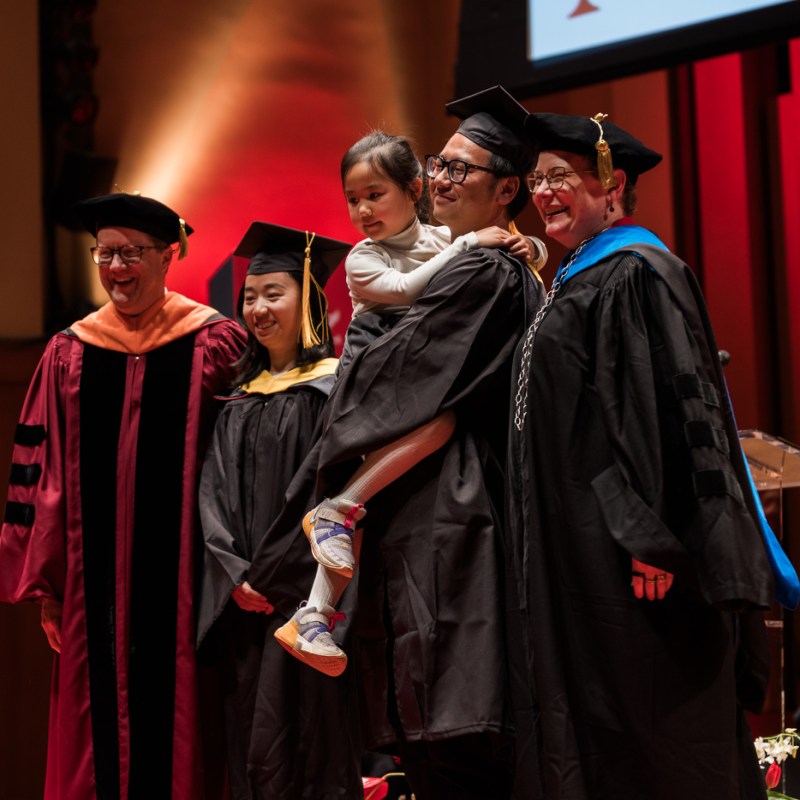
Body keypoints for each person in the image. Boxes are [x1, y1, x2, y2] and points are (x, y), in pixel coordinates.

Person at [259, 85, 545, 800]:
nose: (441, 180)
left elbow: (399, 375)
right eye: (438, 165)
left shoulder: (485, 266)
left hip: (455, 513)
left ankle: (329, 547)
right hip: (435, 503)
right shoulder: (443, 259)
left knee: (456, 731)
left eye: (457, 170)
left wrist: (352, 383)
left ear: (507, 189)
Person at [508, 112, 776, 799]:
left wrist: (650, 536)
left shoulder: (637, 271)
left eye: (561, 177)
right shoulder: (576, 277)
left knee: (656, 732)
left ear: (612, 183)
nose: (545, 192)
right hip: (585, 547)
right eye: (537, 180)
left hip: (636, 556)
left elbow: (660, 407)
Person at [0, 193, 246, 800]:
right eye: (104, 255)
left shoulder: (216, 345)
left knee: (183, 733)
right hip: (91, 593)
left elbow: (248, 463)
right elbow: (44, 474)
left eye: (131, 254)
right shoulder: (69, 352)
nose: (116, 268)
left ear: (168, 256)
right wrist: (49, 586)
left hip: (189, 585)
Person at [280, 131, 548, 675]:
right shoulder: (363, 257)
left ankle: (313, 614)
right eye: (353, 200)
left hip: (410, 369)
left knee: (380, 481)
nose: (362, 210)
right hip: (373, 370)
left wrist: (533, 247)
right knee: (427, 430)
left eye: (374, 194)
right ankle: (332, 520)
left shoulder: (438, 234)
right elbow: (408, 290)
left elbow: (493, 248)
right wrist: (470, 245)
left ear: (414, 188)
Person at [196, 223, 362, 800]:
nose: (259, 308)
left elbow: (324, 494)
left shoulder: (334, 392)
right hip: (246, 606)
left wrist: (267, 575)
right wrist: (234, 575)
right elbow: (211, 497)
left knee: (315, 742)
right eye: (249, 296)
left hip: (309, 601)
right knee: (254, 747)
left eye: (274, 293)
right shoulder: (239, 400)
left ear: (309, 299)